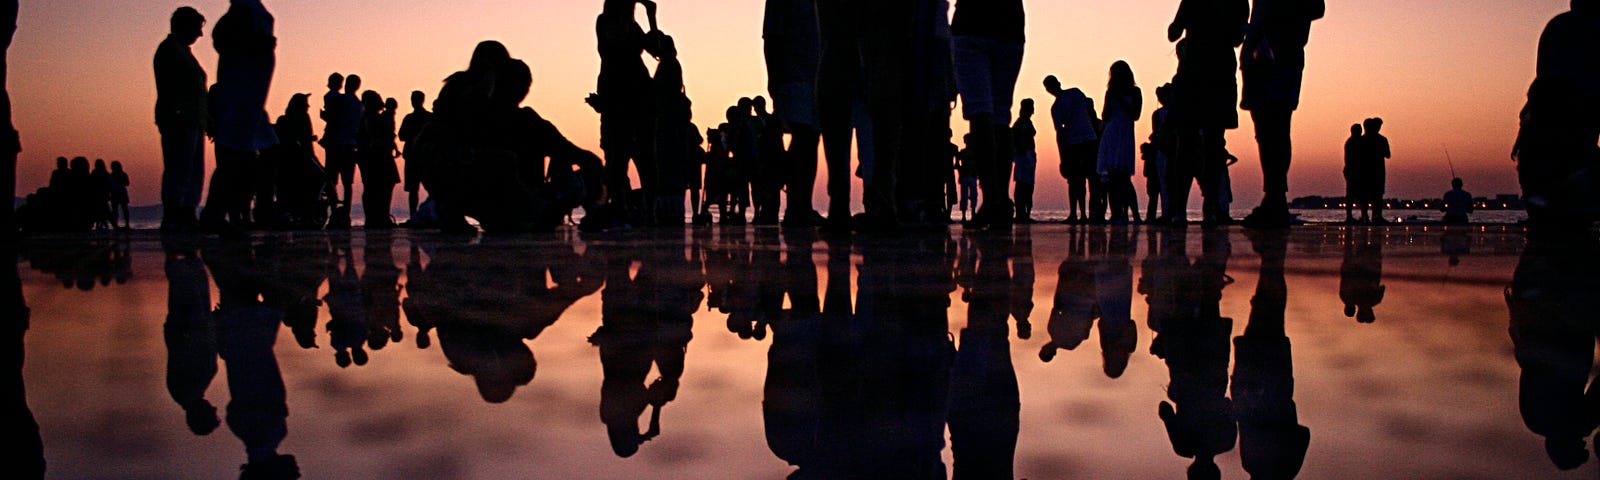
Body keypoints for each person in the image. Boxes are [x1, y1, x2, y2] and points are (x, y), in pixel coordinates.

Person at [1511, 0, 1600, 225]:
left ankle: (1554, 214)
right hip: (1571, 103)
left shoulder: (1559, 25)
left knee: (1547, 162)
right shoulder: (1562, 26)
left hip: (1558, 102)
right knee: (1572, 159)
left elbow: (1542, 73)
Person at [1238, 0, 1325, 228]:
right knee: (1265, 132)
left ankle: (1276, 198)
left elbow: (1316, 8)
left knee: (1276, 128)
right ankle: (1273, 197)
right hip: (1258, 56)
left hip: (1281, 56)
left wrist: (1274, 19)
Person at [1168, 0, 1249, 225]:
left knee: (1187, 144)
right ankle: (1210, 209)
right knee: (1213, 145)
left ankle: (1180, 210)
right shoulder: (1238, 4)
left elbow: (1173, 33)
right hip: (1218, 75)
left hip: (1195, 75)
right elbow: (1236, 39)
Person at [201, 0, 279, 234]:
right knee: (237, 157)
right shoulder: (241, 12)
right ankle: (217, 213)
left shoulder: (250, 9)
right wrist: (258, 44)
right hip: (241, 95)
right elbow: (224, 40)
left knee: (265, 153)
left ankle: (255, 210)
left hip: (251, 96)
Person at [952, 0, 1026, 230]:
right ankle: (999, 200)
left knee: (980, 114)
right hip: (1010, 25)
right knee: (1000, 117)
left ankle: (993, 201)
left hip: (972, 23)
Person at [591, 0, 661, 219]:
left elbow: (657, 50)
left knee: (644, 155)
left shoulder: (633, 27)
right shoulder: (605, 23)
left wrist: (651, 16)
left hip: (637, 93)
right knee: (617, 155)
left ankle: (648, 208)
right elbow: (610, 49)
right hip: (617, 93)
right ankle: (620, 205)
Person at [763, 0, 825, 226]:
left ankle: (801, 206)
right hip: (794, 77)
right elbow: (771, 38)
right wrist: (775, 79)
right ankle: (797, 207)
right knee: (803, 138)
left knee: (809, 139)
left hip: (812, 76)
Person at [154, 6, 208, 232]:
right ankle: (175, 215)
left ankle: (187, 213)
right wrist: (175, 115)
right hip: (180, 120)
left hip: (193, 120)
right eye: (196, 28)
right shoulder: (170, 50)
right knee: (179, 169)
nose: (200, 34)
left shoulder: (182, 51)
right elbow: (171, 88)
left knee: (192, 170)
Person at [1045, 75, 1099, 223]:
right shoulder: (1074, 94)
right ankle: (1083, 214)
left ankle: (1081, 214)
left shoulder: (1060, 104)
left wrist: (1062, 157)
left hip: (1078, 142)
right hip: (1084, 140)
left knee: (1080, 180)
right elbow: (1090, 110)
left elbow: (1060, 133)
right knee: (1086, 179)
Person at [1098, 61, 1143, 225]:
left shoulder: (1135, 91)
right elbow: (1104, 115)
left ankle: (1134, 214)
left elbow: (1136, 114)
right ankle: (1116, 213)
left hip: (1124, 133)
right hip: (1111, 133)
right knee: (1111, 178)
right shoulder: (1110, 92)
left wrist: (1122, 100)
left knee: (1124, 178)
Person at [320, 74, 361, 222]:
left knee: (332, 179)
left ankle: (334, 211)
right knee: (347, 182)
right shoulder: (358, 104)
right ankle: (346, 213)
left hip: (337, 143)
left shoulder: (339, 100)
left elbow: (333, 119)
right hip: (350, 144)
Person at [356, 92, 399, 228]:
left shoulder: (371, 118)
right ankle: (378, 217)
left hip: (375, 155)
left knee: (376, 186)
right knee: (377, 186)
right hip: (376, 156)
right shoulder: (370, 119)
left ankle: (378, 217)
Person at [398, 91, 432, 220]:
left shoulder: (410, 118)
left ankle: (415, 215)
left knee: (416, 189)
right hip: (421, 156)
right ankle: (420, 214)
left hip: (418, 156)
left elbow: (402, 136)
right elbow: (401, 136)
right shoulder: (428, 117)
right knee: (422, 188)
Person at [1360, 117, 1391, 224]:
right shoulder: (1381, 140)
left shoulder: (1363, 140)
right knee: (1373, 195)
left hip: (1372, 171)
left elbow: (1387, 154)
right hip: (1372, 171)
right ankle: (1372, 216)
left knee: (1373, 195)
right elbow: (1387, 154)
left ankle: (1370, 216)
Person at [1012, 99, 1037, 223]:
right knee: (1023, 185)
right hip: (1024, 155)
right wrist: (1021, 150)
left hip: (1026, 155)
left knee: (1027, 185)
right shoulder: (1022, 122)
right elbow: (1016, 137)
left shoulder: (1025, 121)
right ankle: (1022, 214)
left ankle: (1024, 213)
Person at [1342, 123, 1362, 223]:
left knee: (1355, 194)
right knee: (1352, 194)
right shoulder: (1353, 142)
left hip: (1352, 170)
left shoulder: (1352, 142)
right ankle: (1350, 216)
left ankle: (1358, 216)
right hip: (1352, 171)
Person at [110, 161, 131, 229]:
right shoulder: (121, 174)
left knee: (119, 209)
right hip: (119, 192)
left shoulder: (112, 176)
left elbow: (127, 183)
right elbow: (127, 183)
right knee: (121, 209)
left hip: (117, 193)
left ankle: (121, 224)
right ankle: (123, 224)